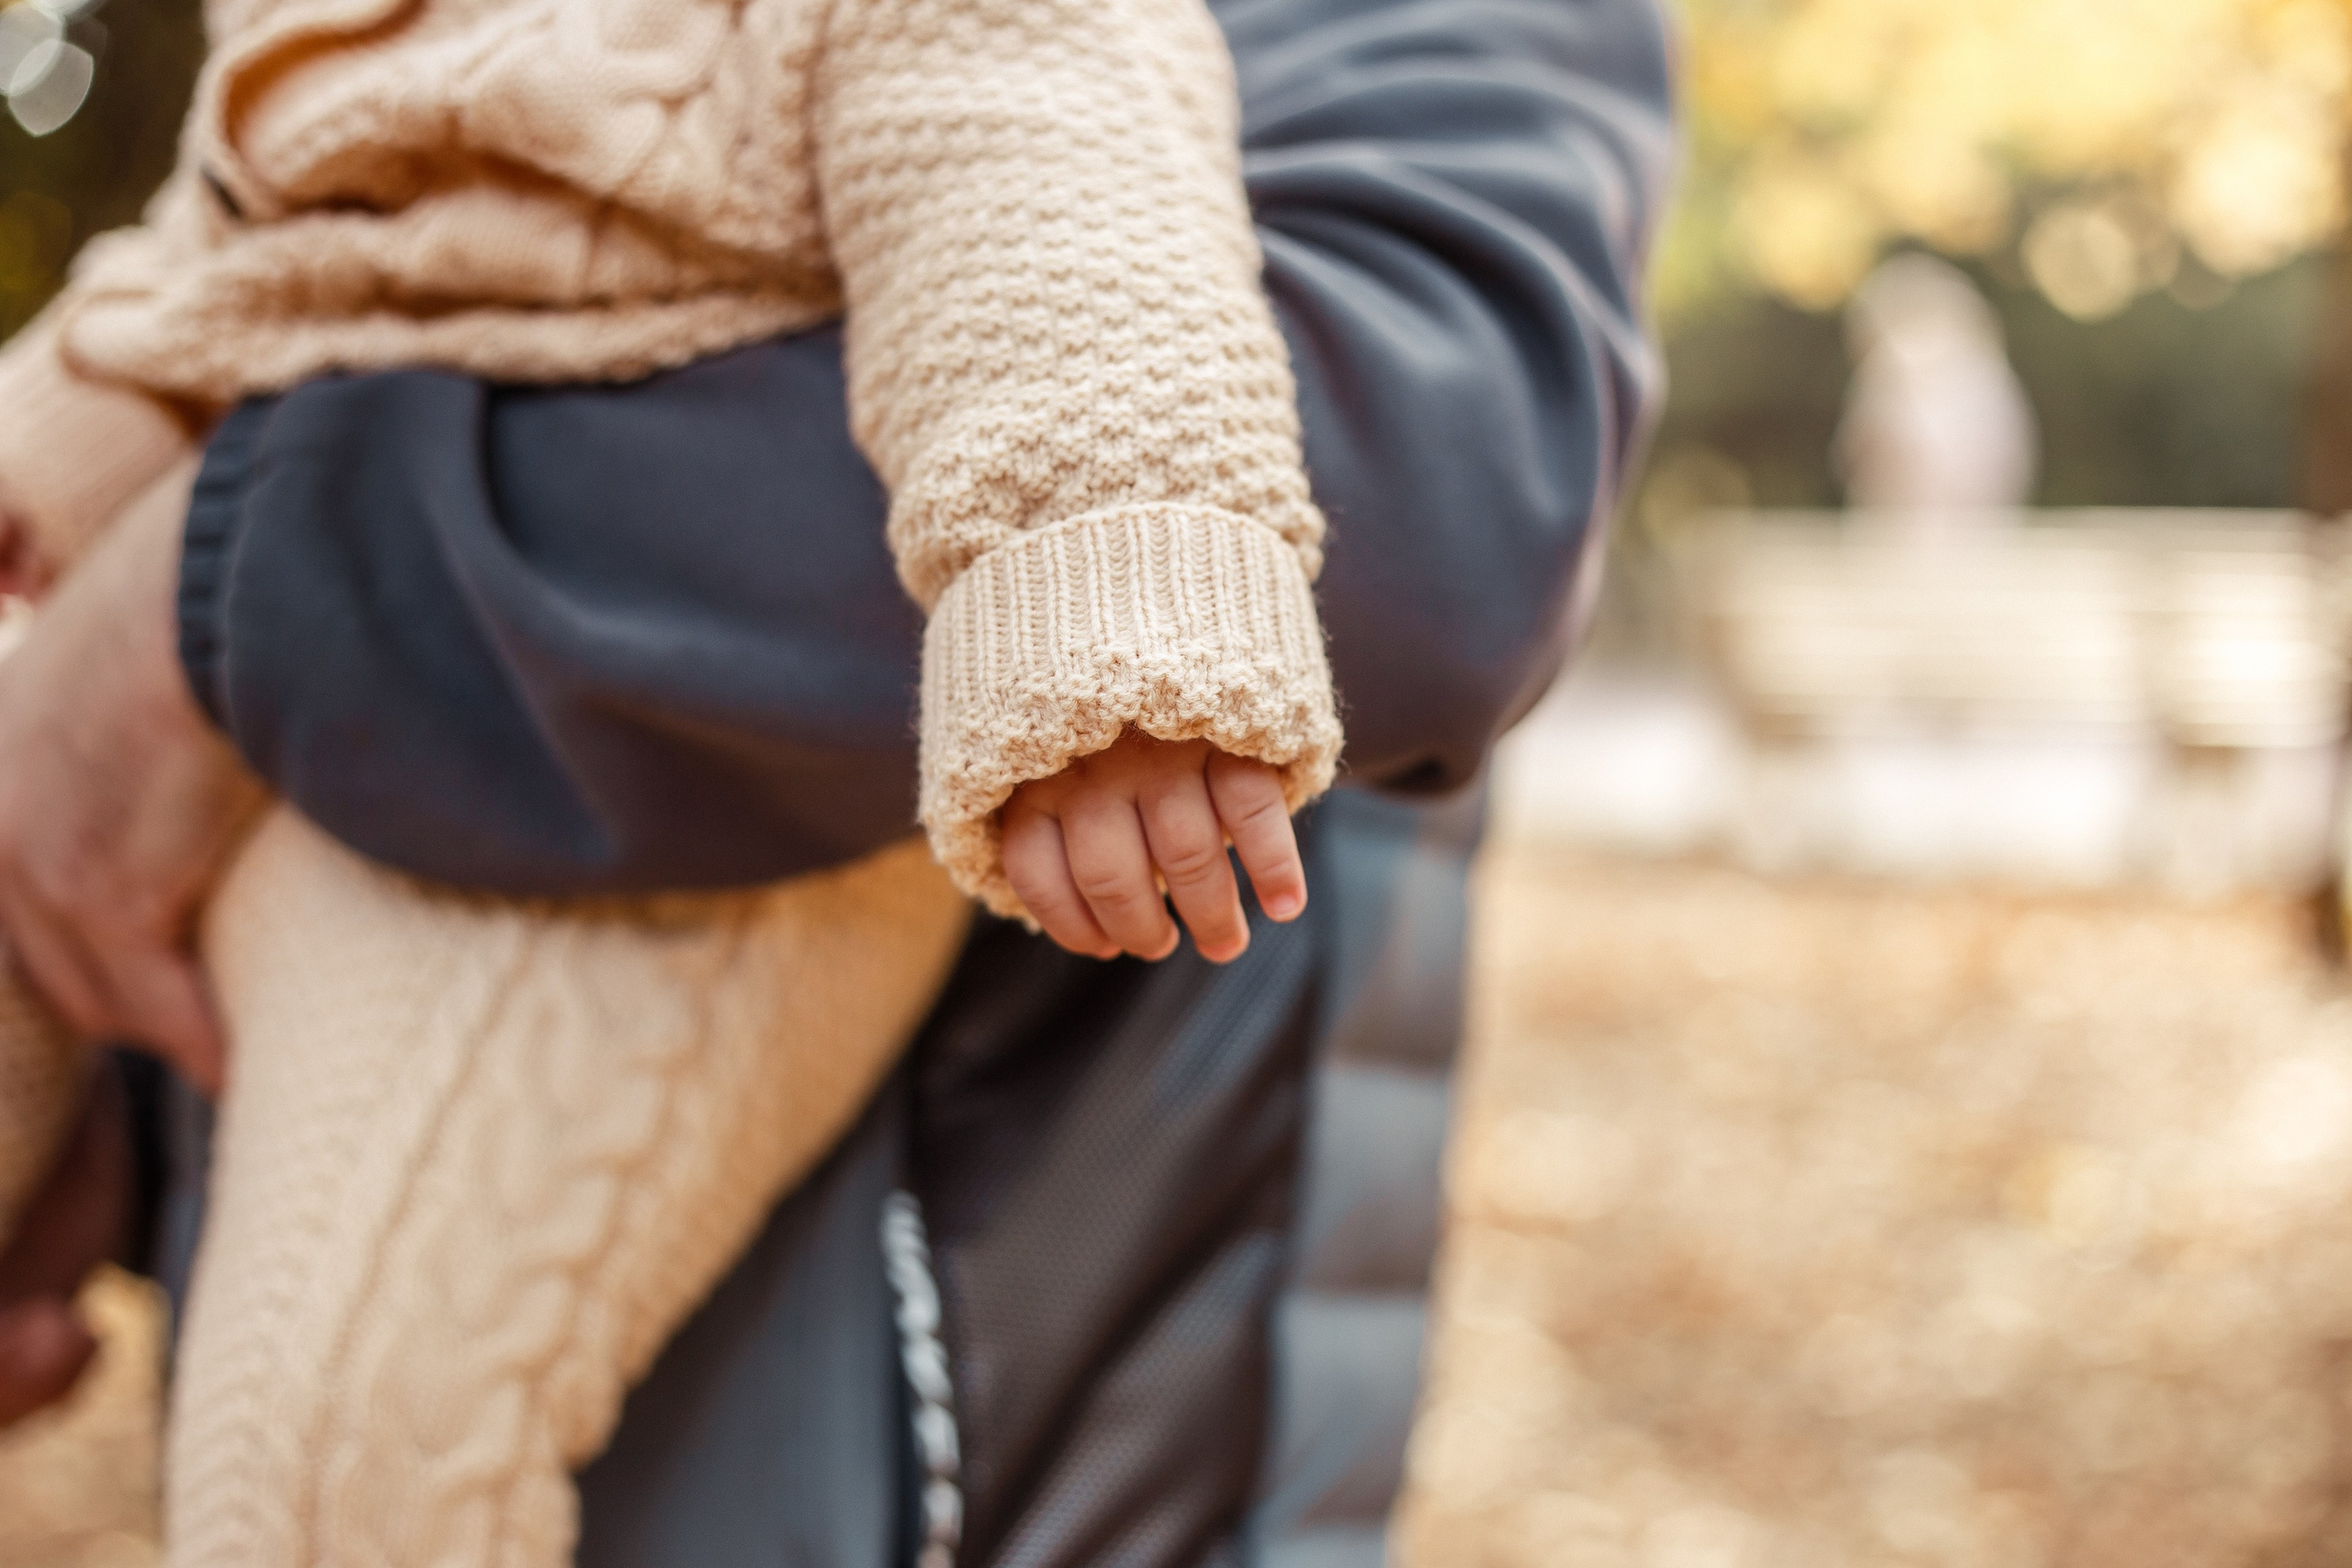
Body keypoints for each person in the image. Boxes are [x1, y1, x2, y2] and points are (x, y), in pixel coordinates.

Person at [0, 0, 1675, 1561]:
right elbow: (251, 250)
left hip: (956, 1317)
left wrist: (1105, 589)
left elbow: (1077, 211)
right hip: (376, 886)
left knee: (338, 1447)